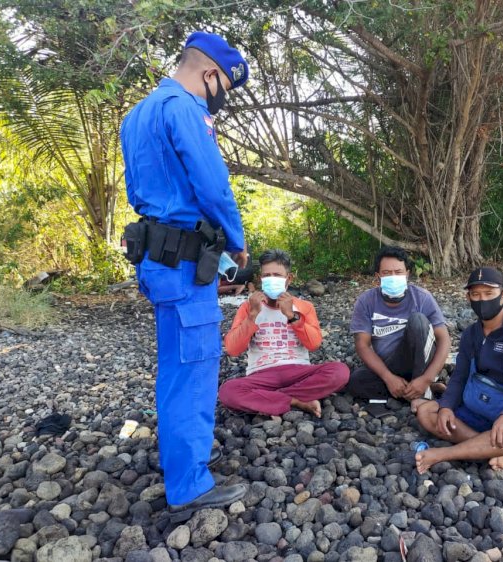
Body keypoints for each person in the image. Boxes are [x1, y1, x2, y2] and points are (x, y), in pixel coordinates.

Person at [120, 31, 250, 522]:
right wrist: (237, 242)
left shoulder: (138, 114)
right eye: (223, 88)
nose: (221, 99)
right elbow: (212, 185)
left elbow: (142, 190)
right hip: (182, 264)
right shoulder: (185, 109)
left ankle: (186, 457)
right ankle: (189, 483)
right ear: (211, 74)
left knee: (178, 363)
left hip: (156, 258)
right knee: (193, 365)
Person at [415, 266, 503, 473]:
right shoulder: (471, 334)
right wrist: (446, 406)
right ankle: (496, 449)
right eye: (476, 295)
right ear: (468, 298)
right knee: (427, 412)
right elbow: (460, 376)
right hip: (480, 404)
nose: (482, 300)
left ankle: (444, 454)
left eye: (489, 294)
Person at [219, 250, 349, 416]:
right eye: (267, 275)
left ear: (289, 279)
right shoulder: (248, 307)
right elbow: (233, 349)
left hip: (298, 371)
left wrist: (292, 316)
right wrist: (252, 317)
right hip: (261, 374)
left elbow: (314, 344)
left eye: (277, 275)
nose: (272, 279)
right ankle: (296, 400)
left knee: (339, 372)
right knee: (228, 392)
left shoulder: (304, 307)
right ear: (260, 279)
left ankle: (271, 400)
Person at [345, 246, 451, 410]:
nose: (393, 276)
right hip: (388, 366)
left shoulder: (421, 297)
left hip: (421, 363)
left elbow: (444, 339)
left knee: (418, 321)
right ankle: (415, 391)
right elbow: (362, 345)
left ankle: (422, 392)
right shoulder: (366, 301)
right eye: (387, 273)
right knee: (355, 382)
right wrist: (388, 377)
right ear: (378, 276)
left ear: (407, 274)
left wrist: (426, 379)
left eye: (398, 272)